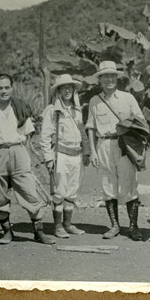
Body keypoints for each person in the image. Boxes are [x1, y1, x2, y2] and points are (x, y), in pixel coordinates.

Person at [0, 73, 55, 245]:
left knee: (29, 191)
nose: (4, 91)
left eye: (7, 87)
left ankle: (38, 232)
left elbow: (28, 135)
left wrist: (24, 155)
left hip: (18, 151)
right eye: (0, 88)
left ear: (12, 87)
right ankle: (7, 232)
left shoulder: (19, 107)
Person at [85, 60, 148, 241]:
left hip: (124, 145)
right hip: (103, 145)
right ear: (100, 79)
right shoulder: (94, 101)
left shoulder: (127, 98)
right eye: (105, 76)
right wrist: (93, 151)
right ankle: (114, 226)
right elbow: (91, 127)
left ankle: (133, 227)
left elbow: (141, 121)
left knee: (129, 185)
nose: (109, 79)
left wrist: (126, 126)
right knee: (108, 186)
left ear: (117, 78)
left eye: (112, 75)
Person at [39, 74, 90, 238]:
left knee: (72, 191)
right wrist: (48, 158)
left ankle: (68, 224)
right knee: (59, 191)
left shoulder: (77, 109)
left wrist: (86, 151)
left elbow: (81, 131)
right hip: (60, 155)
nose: (67, 90)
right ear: (58, 91)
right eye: (63, 87)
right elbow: (45, 136)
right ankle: (58, 226)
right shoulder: (52, 110)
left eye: (70, 87)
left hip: (76, 155)